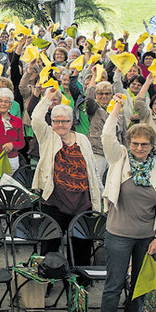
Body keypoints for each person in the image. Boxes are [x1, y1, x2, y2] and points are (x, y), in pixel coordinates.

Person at [99, 96, 156, 312]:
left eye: (144, 144)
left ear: (152, 145)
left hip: (147, 239)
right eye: (135, 143)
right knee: (114, 285)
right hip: (118, 235)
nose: (139, 148)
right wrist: (117, 108)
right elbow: (107, 135)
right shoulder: (119, 159)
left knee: (140, 287)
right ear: (128, 143)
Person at [31, 89, 101, 270]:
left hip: (82, 203)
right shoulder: (48, 136)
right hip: (54, 202)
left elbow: (92, 169)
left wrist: (98, 195)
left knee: (81, 248)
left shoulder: (83, 140)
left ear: (71, 122)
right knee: (50, 246)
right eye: (56, 121)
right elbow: (36, 118)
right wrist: (48, 98)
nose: (60, 124)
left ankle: (79, 282)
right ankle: (48, 278)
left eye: (65, 121)